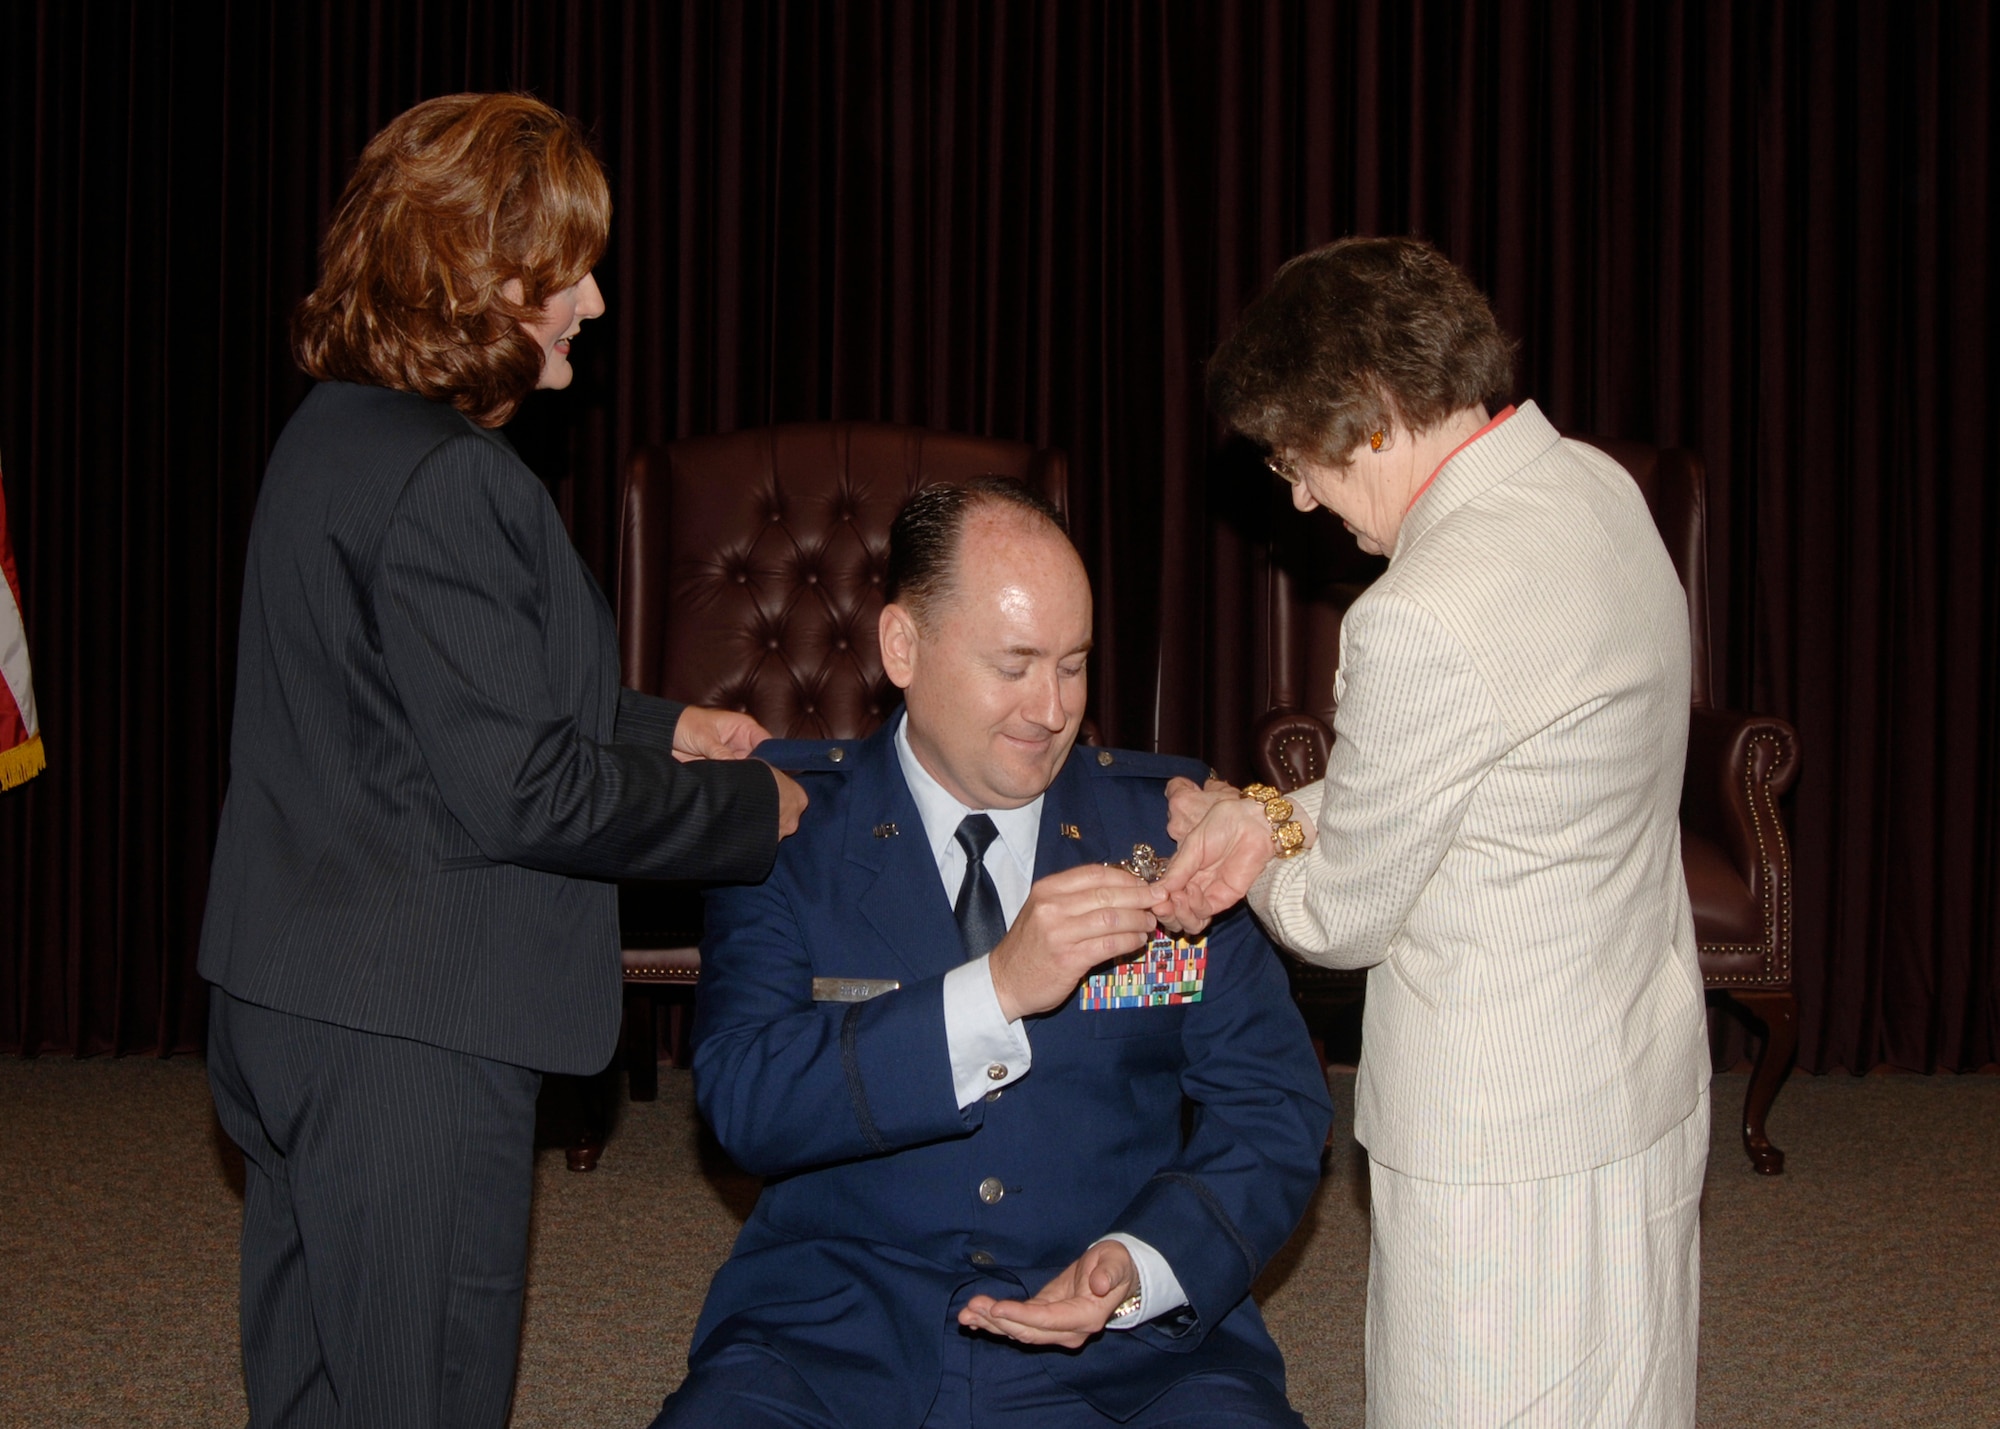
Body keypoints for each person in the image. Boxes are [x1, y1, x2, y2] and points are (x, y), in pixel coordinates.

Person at [199, 93, 806, 1429]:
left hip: (292, 993)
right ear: (473, 279)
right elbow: (521, 785)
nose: (591, 300)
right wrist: (747, 810)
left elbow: (410, 695)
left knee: (314, 1393)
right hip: (408, 1036)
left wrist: (665, 726)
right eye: (566, 270)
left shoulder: (334, 431)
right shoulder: (458, 483)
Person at [1159, 236, 1711, 1426]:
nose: (1296, 495)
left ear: (1367, 422)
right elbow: (1483, 787)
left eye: (1295, 458)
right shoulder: (1593, 491)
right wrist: (1264, 814)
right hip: (1631, 1068)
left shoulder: (1420, 610)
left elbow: (1346, 910)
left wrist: (1235, 834)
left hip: (1496, 1136)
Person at [652, 480, 1332, 1429]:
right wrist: (997, 989)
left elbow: (1275, 1105)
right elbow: (747, 1098)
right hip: (836, 1330)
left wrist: (1143, 1262)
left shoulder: (1168, 830)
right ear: (903, 647)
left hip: (1130, 1355)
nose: (1051, 710)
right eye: (1013, 665)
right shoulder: (786, 826)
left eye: (1074, 665)